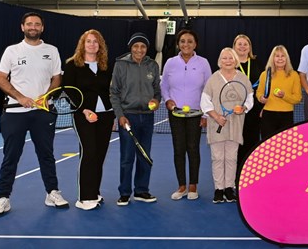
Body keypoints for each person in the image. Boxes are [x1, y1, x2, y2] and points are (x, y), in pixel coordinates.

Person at [0, 12, 69, 217]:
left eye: (37, 24)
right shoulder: (12, 51)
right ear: (22, 27)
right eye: (29, 24)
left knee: (46, 155)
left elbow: (57, 78)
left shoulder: (52, 51)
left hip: (43, 112)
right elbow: (0, 78)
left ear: (42, 28)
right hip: (15, 113)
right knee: (11, 157)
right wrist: (20, 97)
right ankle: (2, 198)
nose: (33, 27)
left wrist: (45, 96)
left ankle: (52, 192)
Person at [63, 29, 113, 211]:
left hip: (106, 116)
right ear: (82, 44)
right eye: (89, 41)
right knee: (89, 152)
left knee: (99, 155)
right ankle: (84, 197)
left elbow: (110, 91)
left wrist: (113, 113)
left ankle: (94, 192)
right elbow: (69, 90)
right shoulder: (72, 65)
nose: (92, 44)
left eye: (95, 42)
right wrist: (84, 110)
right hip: (83, 115)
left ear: (100, 45)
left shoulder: (105, 66)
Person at [110, 32, 161, 206]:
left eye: (143, 46)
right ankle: (124, 193)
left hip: (147, 118)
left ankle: (141, 191)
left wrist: (156, 100)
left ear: (147, 49)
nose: (139, 50)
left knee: (145, 156)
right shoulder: (120, 65)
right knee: (127, 158)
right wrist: (120, 116)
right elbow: (114, 93)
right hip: (128, 117)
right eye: (136, 46)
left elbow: (157, 91)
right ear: (131, 48)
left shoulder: (153, 65)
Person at [161, 29, 212, 201]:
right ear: (178, 44)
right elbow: (164, 85)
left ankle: (193, 186)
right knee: (178, 149)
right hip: (175, 114)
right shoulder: (170, 63)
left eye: (190, 41)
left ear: (195, 44)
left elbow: (208, 89)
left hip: (196, 114)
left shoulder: (203, 63)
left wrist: (205, 114)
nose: (186, 44)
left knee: (193, 149)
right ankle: (181, 185)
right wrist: (168, 100)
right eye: (182, 41)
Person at [201, 47, 254, 203]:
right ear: (220, 61)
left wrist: (244, 108)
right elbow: (205, 102)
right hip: (217, 123)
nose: (228, 61)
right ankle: (219, 189)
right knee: (217, 157)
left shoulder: (243, 78)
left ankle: (229, 188)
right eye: (224, 58)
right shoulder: (213, 79)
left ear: (235, 60)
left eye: (230, 58)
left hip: (235, 124)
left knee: (231, 157)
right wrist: (216, 117)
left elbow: (249, 99)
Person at [233, 34, 264, 175]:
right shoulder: (230, 64)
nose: (242, 47)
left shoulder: (257, 64)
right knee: (236, 143)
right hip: (235, 111)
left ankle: (249, 173)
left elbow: (264, 87)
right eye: (239, 44)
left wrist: (262, 107)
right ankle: (236, 175)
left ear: (249, 47)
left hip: (254, 110)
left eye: (245, 44)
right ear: (234, 46)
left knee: (252, 142)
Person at [256, 45, 302, 140]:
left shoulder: (294, 75)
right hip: (268, 115)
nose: (280, 58)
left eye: (282, 56)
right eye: (277, 56)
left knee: (285, 147)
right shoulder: (265, 74)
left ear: (287, 58)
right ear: (272, 58)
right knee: (268, 146)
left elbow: (297, 98)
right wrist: (261, 98)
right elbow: (259, 92)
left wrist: (284, 96)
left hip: (287, 115)